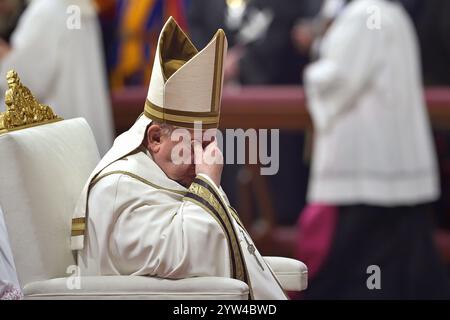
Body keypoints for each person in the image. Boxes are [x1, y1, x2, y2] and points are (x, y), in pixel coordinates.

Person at [71, 17, 287, 300]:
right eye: (194, 146)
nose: (204, 159)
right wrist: (208, 181)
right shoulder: (119, 190)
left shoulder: (163, 172)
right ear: (156, 138)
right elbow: (187, 258)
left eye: (210, 144)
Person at [297, 0, 450, 299]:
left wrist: (313, 58)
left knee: (357, 282)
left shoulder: (363, 17)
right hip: (392, 179)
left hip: (365, 181)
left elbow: (335, 82)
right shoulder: (393, 13)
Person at [0, 0, 114, 155]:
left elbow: (24, 80)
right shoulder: (76, 7)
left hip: (56, 135)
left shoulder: (46, 10)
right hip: (80, 125)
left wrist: (4, 56)